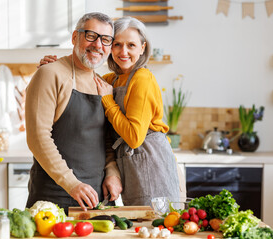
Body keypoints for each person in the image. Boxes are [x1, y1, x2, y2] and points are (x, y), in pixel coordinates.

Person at [40, 16, 183, 206]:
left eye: (131, 45)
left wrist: (108, 100)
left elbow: (133, 138)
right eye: (117, 44)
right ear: (109, 48)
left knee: (156, 226)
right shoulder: (112, 79)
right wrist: (53, 68)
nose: (123, 52)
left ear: (142, 48)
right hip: (131, 166)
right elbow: (82, 73)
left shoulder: (143, 78)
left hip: (152, 164)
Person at [25, 12, 122, 213]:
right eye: (90, 35)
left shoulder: (104, 86)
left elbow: (105, 141)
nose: (97, 45)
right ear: (74, 37)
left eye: (105, 40)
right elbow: (37, 138)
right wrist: (71, 184)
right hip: (53, 197)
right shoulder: (50, 74)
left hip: (96, 200)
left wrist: (112, 172)